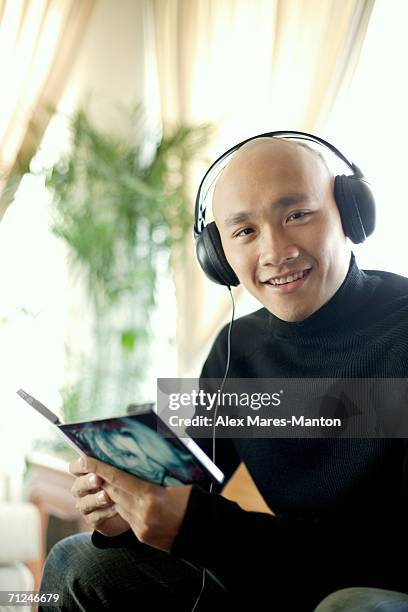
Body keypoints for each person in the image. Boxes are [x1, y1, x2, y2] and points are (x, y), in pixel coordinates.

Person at [39, 134, 408, 611]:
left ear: (351, 213)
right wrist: (125, 512)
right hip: (277, 574)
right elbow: (184, 488)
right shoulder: (238, 346)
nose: (275, 251)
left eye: (297, 215)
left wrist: (199, 529)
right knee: (78, 563)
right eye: (245, 231)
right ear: (218, 255)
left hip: (373, 589)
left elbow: (392, 557)